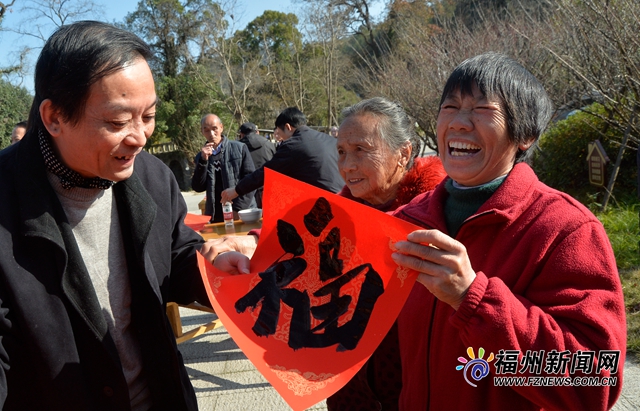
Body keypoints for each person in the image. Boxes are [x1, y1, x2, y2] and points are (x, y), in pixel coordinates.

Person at [390, 52, 626, 410]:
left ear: (526, 135)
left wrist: (472, 299)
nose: (459, 123)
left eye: (482, 110)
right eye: (450, 107)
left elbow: (595, 383)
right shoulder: (408, 220)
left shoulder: (566, 229)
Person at [0, 21, 215, 410]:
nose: (139, 137)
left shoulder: (151, 177)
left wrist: (216, 269)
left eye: (147, 116)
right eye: (117, 123)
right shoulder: (5, 199)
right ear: (54, 118)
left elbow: (176, 256)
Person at [327, 97, 446, 410]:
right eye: (341, 152)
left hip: (417, 385)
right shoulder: (339, 217)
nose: (346, 165)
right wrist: (251, 243)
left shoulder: (442, 215)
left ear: (403, 153)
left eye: (360, 150)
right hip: (350, 388)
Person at [220, 107, 344, 205]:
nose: (281, 139)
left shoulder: (293, 145)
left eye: (279, 133)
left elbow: (265, 173)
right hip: (345, 198)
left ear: (288, 127)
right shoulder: (330, 140)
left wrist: (236, 190)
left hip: (323, 205)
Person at [191, 114, 256, 222]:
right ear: (201, 132)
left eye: (214, 128)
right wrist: (203, 161)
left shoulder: (239, 148)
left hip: (241, 212)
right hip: (216, 215)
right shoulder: (201, 156)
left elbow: (251, 182)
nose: (211, 134)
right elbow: (198, 187)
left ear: (221, 127)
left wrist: (238, 209)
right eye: (206, 130)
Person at [237, 121, 275, 208]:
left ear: (241, 134)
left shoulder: (238, 148)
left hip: (247, 192)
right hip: (269, 189)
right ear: (257, 132)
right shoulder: (269, 145)